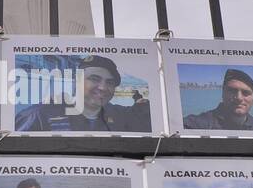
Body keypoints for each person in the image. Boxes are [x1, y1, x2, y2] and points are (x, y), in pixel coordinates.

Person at [14, 54, 152, 132]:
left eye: (110, 82)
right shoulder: (40, 115)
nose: (103, 87)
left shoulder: (120, 115)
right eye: (94, 79)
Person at [183, 69, 253, 131]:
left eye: (246, 93)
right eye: (232, 91)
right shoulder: (197, 124)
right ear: (223, 94)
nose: (239, 98)